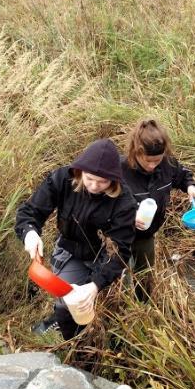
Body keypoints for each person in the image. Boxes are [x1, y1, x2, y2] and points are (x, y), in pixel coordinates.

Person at [15, 138, 136, 339]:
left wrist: (95, 285)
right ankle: (72, 343)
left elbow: (121, 252)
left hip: (108, 257)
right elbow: (29, 212)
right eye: (90, 178)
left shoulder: (125, 202)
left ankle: (108, 339)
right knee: (66, 305)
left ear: (113, 180)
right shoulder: (62, 178)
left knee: (118, 306)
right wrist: (30, 233)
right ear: (80, 171)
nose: (94, 186)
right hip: (73, 251)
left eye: (103, 182)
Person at [121, 119, 195, 282]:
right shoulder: (121, 169)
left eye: (156, 161)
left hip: (146, 235)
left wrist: (191, 186)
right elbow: (103, 202)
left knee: (145, 278)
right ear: (136, 152)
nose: (152, 166)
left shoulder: (167, 164)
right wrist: (128, 218)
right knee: (123, 280)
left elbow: (183, 175)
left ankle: (146, 305)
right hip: (120, 235)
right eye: (147, 160)